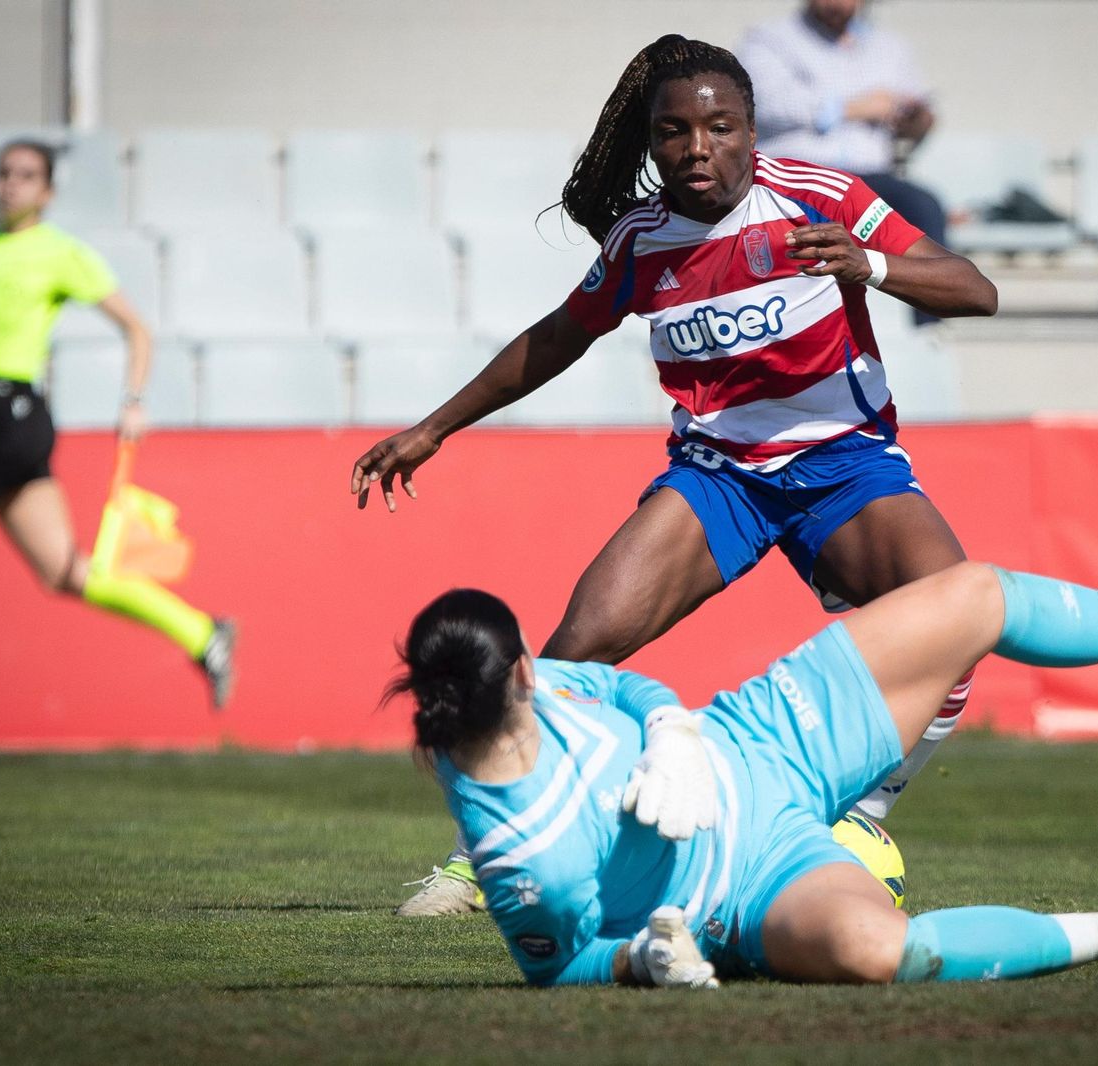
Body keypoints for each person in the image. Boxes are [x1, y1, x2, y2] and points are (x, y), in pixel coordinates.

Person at [352, 36, 994, 915]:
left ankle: (865, 817)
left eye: (720, 127)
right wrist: (434, 427)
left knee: (958, 618)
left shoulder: (820, 196)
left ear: (751, 128)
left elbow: (974, 287)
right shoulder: (640, 241)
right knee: (572, 656)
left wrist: (869, 265)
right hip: (719, 478)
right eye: (675, 132)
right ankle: (487, 855)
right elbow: (556, 338)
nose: (699, 149)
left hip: (845, 466)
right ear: (651, 143)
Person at [391, 495, 1098, 987]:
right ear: (520, 679)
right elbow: (556, 967)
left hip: (760, 736)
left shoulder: (549, 685)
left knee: (972, 596)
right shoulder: (513, 854)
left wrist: (672, 729)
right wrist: (639, 962)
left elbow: (619, 681)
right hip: (745, 890)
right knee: (881, 951)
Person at [0, 140, 236, 731]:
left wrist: (133, 402)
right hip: (6, 421)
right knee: (64, 571)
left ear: (48, 191)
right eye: (4, 174)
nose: (11, 185)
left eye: (27, 176)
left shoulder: (59, 253)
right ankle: (202, 632)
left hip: (1, 415)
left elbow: (137, 329)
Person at [736, 0, 950, 260]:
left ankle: (937, 295)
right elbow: (764, 102)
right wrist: (854, 108)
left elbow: (912, 113)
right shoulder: (769, 39)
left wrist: (917, 120)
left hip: (868, 179)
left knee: (923, 207)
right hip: (796, 175)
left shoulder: (890, 47)